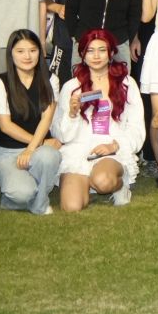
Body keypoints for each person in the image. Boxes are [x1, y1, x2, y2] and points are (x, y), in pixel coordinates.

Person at [53, 29, 143, 210]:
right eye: (90, 50)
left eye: (102, 50)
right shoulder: (71, 87)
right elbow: (60, 134)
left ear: (111, 53)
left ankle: (119, 186)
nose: (96, 56)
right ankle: (86, 183)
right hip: (78, 151)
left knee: (103, 181)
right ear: (82, 54)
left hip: (111, 150)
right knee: (71, 207)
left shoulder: (127, 84)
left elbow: (136, 127)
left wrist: (115, 146)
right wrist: (72, 114)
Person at [0, 28, 62, 215]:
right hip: (7, 153)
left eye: (33, 50)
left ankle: (40, 203)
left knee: (49, 156)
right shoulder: (1, 82)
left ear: (40, 52)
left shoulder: (51, 79)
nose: (27, 56)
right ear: (11, 54)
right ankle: (18, 197)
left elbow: (47, 118)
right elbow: (5, 126)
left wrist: (32, 149)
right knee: (21, 193)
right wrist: (38, 143)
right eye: (20, 51)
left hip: (39, 151)